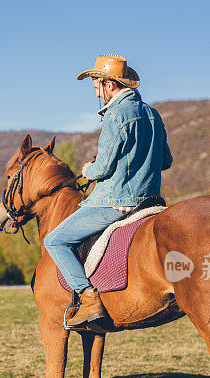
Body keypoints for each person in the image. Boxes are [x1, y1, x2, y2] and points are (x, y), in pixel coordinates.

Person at [43, 54, 173, 329]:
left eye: (96, 86)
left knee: (54, 241)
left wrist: (88, 168)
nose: (96, 92)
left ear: (109, 85)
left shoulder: (116, 113)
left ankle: (88, 299)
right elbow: (166, 161)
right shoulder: (152, 113)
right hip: (151, 200)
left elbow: (102, 168)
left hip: (117, 201)